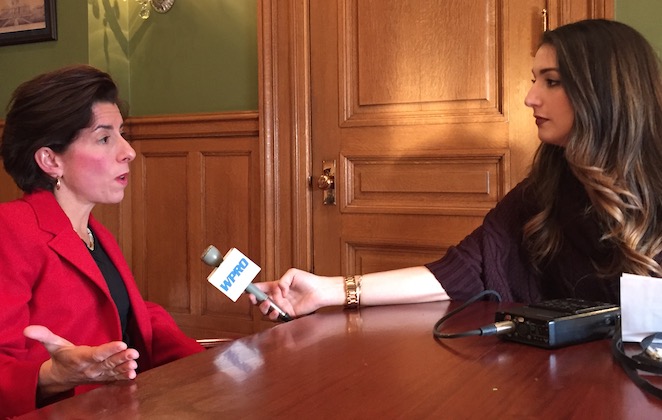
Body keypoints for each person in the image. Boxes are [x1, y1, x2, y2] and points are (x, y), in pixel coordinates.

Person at [252, 19, 662, 320]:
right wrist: (327, 291)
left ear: (603, 91)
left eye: (550, 81)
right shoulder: (545, 189)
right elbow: (462, 270)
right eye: (533, 79)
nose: (529, 98)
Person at [0, 65, 204, 418]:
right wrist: (52, 375)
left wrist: (216, 364)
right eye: (104, 138)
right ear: (50, 160)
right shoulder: (10, 228)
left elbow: (131, 316)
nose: (129, 152)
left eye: (122, 135)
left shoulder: (95, 233)